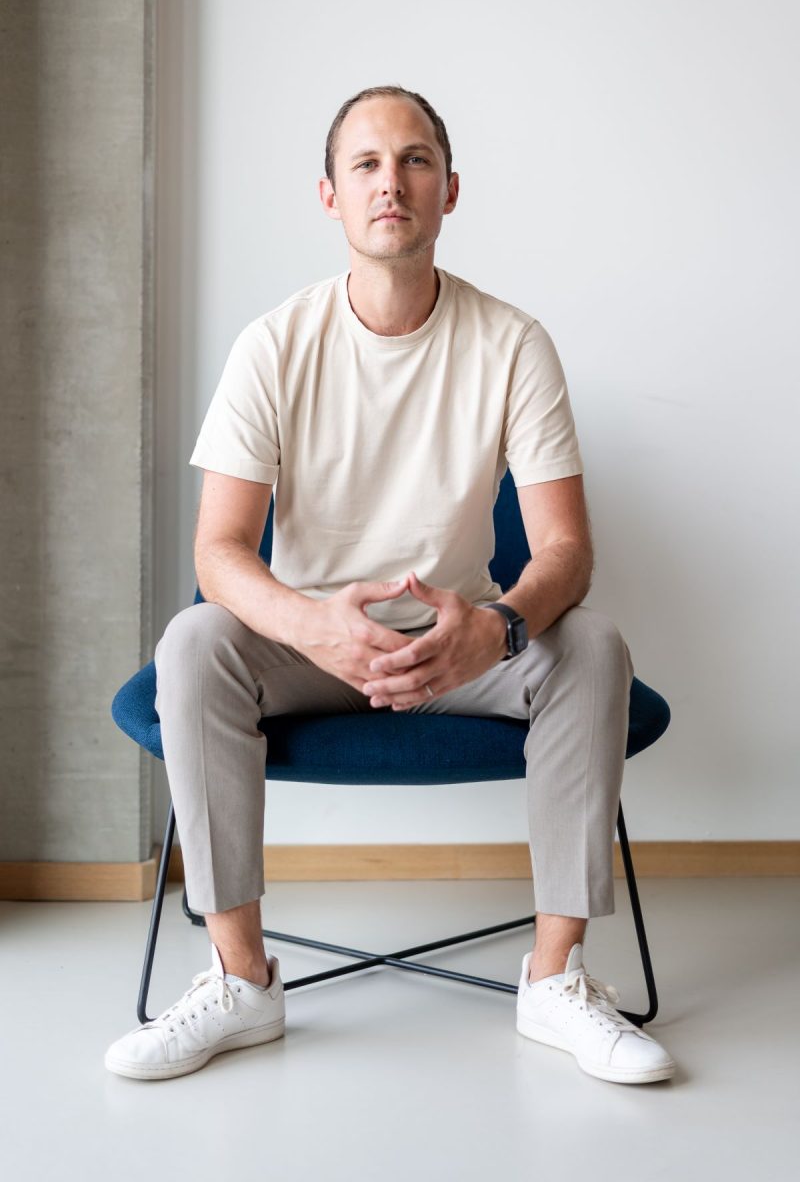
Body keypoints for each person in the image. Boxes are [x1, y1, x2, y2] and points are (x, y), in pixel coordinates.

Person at [105, 84, 676, 1085]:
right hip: (305, 645)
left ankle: (554, 980)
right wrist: (311, 626)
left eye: (415, 161)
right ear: (329, 194)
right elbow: (219, 552)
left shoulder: (513, 343)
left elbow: (565, 551)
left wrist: (497, 628)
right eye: (365, 164)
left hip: (461, 644)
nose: (391, 183)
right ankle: (241, 980)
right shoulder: (272, 345)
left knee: (591, 642)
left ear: (449, 190)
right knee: (193, 640)